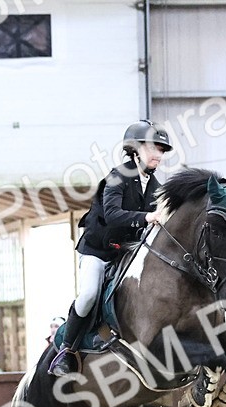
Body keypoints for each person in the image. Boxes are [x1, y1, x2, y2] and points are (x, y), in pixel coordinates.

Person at [48, 120, 173, 377]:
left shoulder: (156, 187)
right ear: (136, 149)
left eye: (161, 150)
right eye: (154, 148)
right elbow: (113, 215)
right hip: (97, 250)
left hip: (124, 252)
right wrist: (146, 217)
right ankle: (66, 350)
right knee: (89, 295)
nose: (158, 155)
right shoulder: (118, 176)